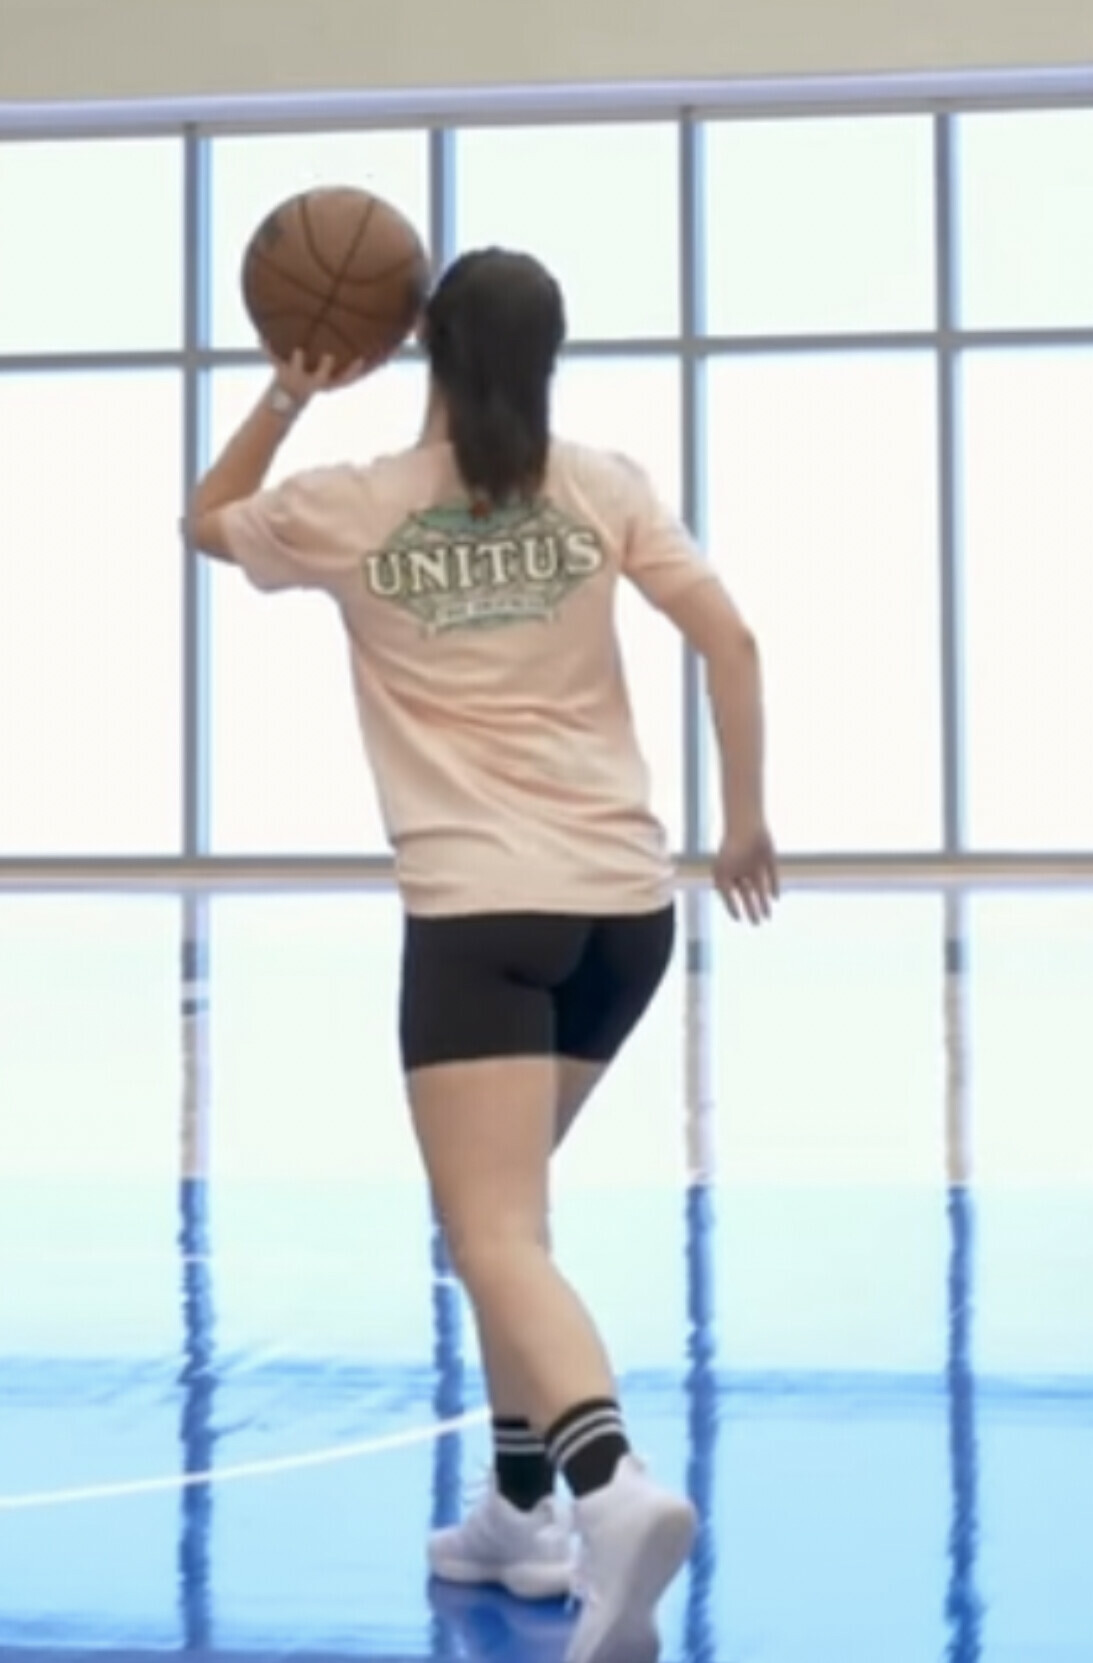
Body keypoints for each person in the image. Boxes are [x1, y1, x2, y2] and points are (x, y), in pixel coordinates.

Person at [187, 246, 776, 1663]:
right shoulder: (604, 484)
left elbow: (205, 520)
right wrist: (745, 820)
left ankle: (609, 1489)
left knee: (491, 1231)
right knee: (513, 1219)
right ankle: (518, 1512)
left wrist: (289, 391)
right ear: (549, 355)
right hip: (624, 915)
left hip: (480, 919)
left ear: (425, 353)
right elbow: (731, 640)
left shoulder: (356, 504)